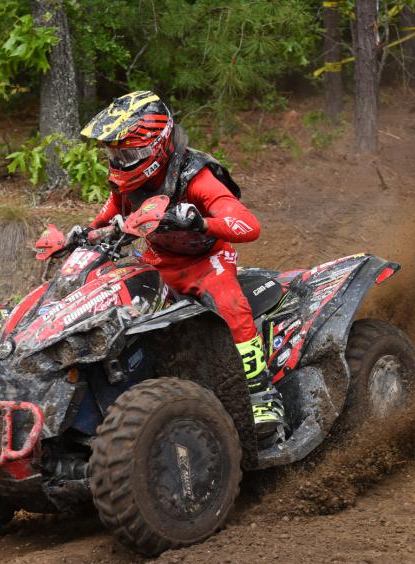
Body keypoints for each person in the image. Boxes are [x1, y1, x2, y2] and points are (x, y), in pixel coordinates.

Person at [78, 90, 284, 431]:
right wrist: (83, 234)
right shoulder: (127, 184)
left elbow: (249, 225)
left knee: (232, 304)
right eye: (116, 152)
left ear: (157, 144)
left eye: (130, 151)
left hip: (205, 261)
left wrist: (201, 221)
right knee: (105, 301)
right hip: (155, 262)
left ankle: (262, 394)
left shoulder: (197, 177)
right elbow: (108, 215)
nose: (122, 159)